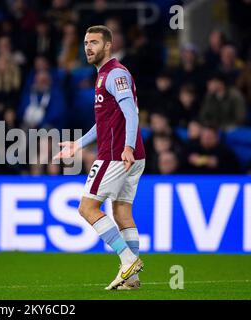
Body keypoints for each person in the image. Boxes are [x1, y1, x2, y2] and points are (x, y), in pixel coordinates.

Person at [54, 25, 145, 290]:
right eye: (85, 43)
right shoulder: (106, 75)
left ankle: (127, 259)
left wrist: (126, 147)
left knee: (87, 208)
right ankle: (133, 278)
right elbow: (103, 122)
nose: (88, 47)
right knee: (122, 211)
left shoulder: (114, 74)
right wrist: (78, 145)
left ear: (108, 45)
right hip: (132, 153)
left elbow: (132, 113)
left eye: (94, 42)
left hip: (117, 153)